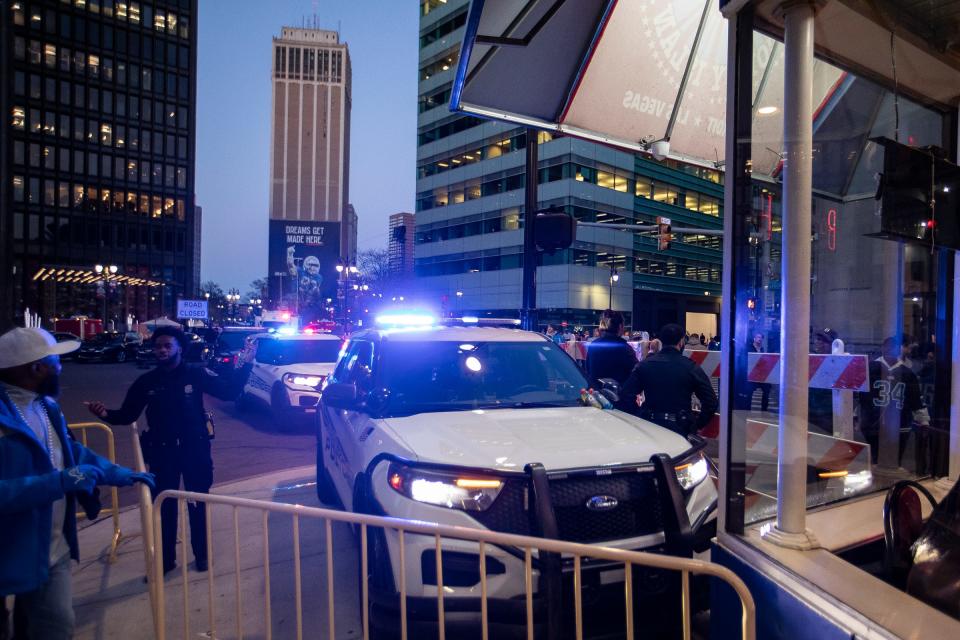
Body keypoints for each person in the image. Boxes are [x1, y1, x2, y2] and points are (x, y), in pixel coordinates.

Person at [0, 327, 154, 640]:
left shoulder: (46, 407)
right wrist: (58, 482)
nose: (61, 367)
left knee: (55, 627)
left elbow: (72, 452)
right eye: (55, 361)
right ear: (35, 368)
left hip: (51, 548)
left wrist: (116, 473)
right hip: (9, 549)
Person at [86, 326, 229, 575]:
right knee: (165, 507)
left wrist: (246, 365)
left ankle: (202, 556)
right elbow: (127, 414)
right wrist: (105, 414)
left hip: (195, 450)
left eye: (167, 346)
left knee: (198, 504)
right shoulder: (147, 382)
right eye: (158, 346)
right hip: (163, 454)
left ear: (180, 349)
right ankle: (165, 561)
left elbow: (229, 391)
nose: (161, 350)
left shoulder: (195, 374)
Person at [617, 323, 718, 436]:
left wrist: (638, 414)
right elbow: (711, 401)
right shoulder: (690, 367)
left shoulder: (644, 365)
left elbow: (625, 395)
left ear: (661, 341)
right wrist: (697, 424)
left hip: (650, 425)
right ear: (681, 342)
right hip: (680, 429)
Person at [858, 336, 929, 469]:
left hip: (900, 426)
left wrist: (923, 420)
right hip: (873, 425)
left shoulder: (908, 374)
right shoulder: (870, 369)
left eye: (895, 347)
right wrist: (855, 417)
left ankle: (892, 484)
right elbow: (860, 396)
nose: (891, 350)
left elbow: (916, 399)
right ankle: (877, 484)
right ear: (883, 348)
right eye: (888, 347)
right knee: (875, 460)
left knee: (894, 462)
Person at [585, 310, 638, 388]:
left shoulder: (594, 345)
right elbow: (636, 373)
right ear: (620, 326)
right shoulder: (624, 348)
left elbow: (588, 370)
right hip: (616, 396)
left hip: (596, 395)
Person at [808, 328, 838, 433]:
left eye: (823, 340)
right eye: (817, 339)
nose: (818, 342)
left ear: (832, 345)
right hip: (809, 411)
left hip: (828, 413)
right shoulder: (809, 360)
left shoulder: (838, 363)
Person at [749, 332, 772, 412]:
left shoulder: (762, 349)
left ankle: (764, 410)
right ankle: (747, 409)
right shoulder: (749, 348)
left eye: (761, 337)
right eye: (758, 337)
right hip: (752, 375)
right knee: (749, 390)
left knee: (767, 388)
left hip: (761, 375)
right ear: (754, 338)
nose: (760, 339)